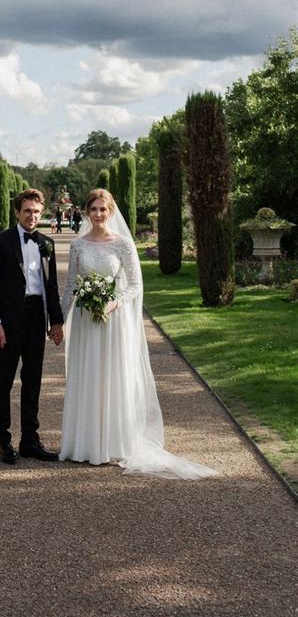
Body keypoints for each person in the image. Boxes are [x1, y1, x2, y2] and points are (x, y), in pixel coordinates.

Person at [59, 188, 217, 479]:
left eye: (102, 210)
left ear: (110, 211)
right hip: (85, 320)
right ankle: (86, 443)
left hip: (113, 320)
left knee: (112, 376)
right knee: (88, 375)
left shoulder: (123, 244)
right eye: (93, 209)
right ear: (86, 211)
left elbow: (134, 286)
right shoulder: (78, 245)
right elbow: (71, 285)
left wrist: (113, 302)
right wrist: (57, 319)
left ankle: (115, 442)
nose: (97, 215)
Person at [0, 188, 64, 464]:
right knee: (3, 382)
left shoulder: (46, 243)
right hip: (8, 322)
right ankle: (3, 442)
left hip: (35, 320)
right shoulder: (0, 242)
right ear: (18, 212)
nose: (32, 216)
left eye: (37, 212)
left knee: (33, 382)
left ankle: (30, 440)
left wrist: (56, 322)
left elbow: (50, 286)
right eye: (28, 211)